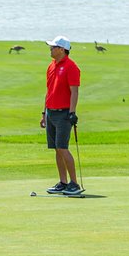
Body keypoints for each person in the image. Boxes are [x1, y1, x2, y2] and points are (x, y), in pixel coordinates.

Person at [41, 36, 82, 196]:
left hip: (64, 113)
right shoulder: (51, 66)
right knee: (56, 149)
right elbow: (48, 91)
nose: (50, 49)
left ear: (61, 49)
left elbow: (74, 91)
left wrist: (72, 112)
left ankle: (74, 183)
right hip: (51, 112)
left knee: (63, 148)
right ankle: (63, 182)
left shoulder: (71, 67)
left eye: (53, 47)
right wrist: (44, 113)